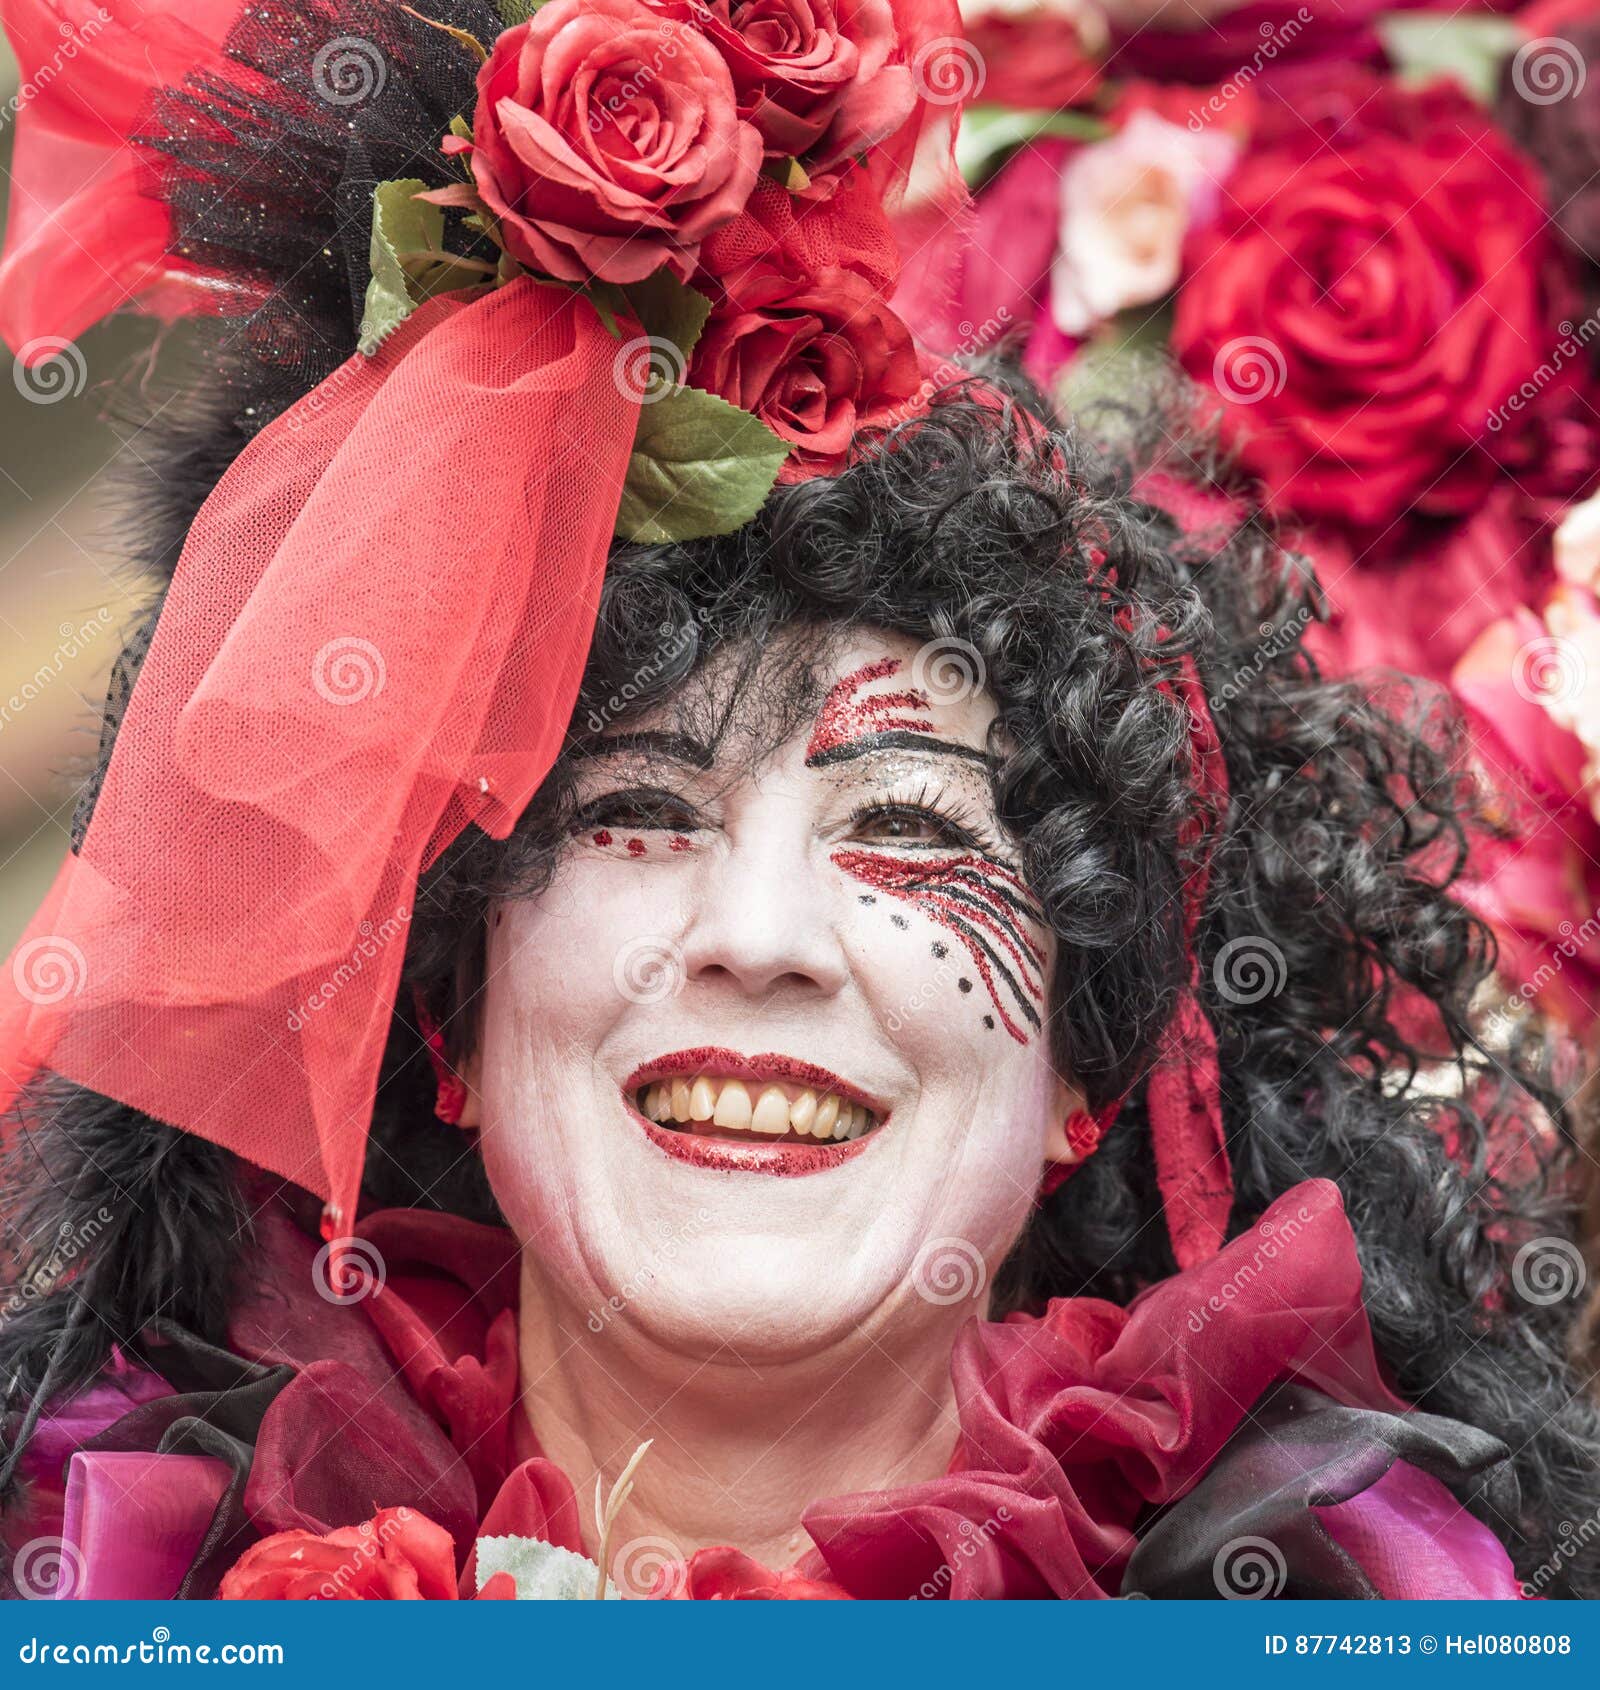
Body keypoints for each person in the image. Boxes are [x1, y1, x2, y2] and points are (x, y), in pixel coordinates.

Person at [0, 0, 1595, 1603]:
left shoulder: (1372, 1603)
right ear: (450, 1023)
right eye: (639, 811)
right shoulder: (89, 1565)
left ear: (1085, 1078)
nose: (759, 936)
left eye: (905, 828)